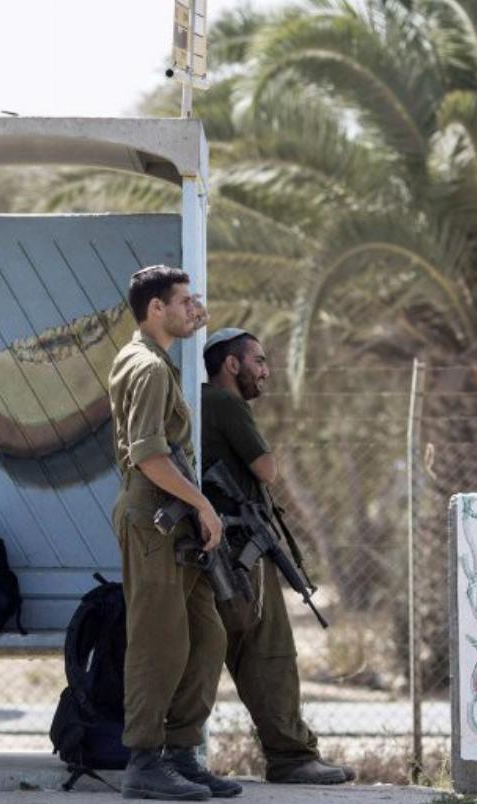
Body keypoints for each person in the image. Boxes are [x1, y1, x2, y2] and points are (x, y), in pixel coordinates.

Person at [107, 265, 241, 801]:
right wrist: (203, 503)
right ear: (155, 309)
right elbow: (147, 456)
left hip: (172, 518)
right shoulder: (148, 368)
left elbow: (157, 450)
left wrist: (195, 322)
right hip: (156, 518)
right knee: (157, 642)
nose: (194, 308)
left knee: (206, 636)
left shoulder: (152, 357)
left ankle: (182, 754)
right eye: (184, 302)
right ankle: (143, 760)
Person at [201, 327, 355, 785]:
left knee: (214, 648)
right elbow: (266, 470)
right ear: (232, 364)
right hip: (239, 550)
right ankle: (291, 757)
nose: (265, 372)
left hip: (216, 548)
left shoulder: (198, 401)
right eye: (259, 362)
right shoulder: (227, 404)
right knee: (268, 653)